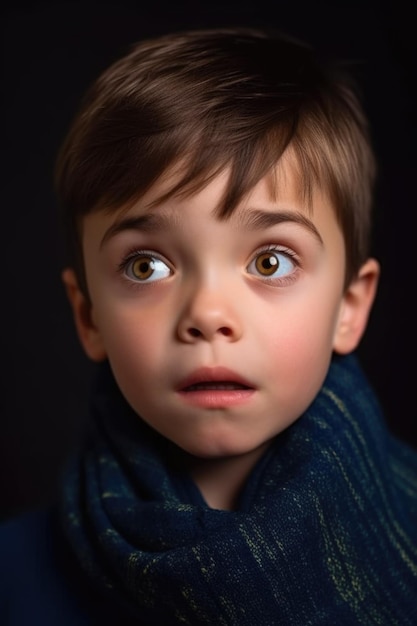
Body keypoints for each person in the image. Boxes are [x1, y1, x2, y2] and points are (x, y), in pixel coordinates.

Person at [1, 25, 416, 626]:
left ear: (348, 307)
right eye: (148, 265)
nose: (208, 316)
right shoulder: (16, 579)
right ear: (88, 315)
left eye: (270, 261)